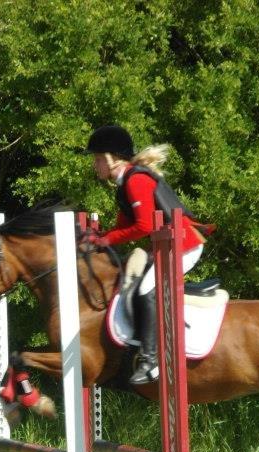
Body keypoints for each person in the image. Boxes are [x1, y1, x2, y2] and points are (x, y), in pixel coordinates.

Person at [84, 124, 213, 384]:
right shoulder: (124, 184)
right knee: (132, 281)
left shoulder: (136, 180)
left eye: (97, 159)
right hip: (168, 243)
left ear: (111, 158)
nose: (95, 165)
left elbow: (144, 226)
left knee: (145, 289)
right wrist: (97, 238)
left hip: (185, 244)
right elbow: (123, 227)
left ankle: (151, 359)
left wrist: (106, 239)